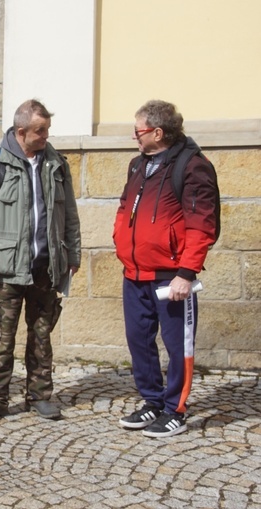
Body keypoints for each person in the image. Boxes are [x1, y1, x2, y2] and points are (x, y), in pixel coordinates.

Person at [0, 99, 81, 423]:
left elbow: (68, 213)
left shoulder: (56, 163)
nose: (46, 135)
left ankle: (41, 396)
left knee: (42, 336)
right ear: (21, 132)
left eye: (46, 129)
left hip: (46, 267)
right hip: (6, 269)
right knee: (1, 340)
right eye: (40, 130)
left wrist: (73, 253)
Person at [114, 100, 219, 438]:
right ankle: (152, 401)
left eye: (138, 131)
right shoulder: (136, 165)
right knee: (138, 341)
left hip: (171, 277)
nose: (134, 137)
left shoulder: (192, 167)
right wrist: (120, 241)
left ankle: (176, 408)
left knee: (178, 346)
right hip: (135, 273)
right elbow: (123, 208)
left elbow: (201, 225)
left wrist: (186, 274)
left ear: (157, 133)